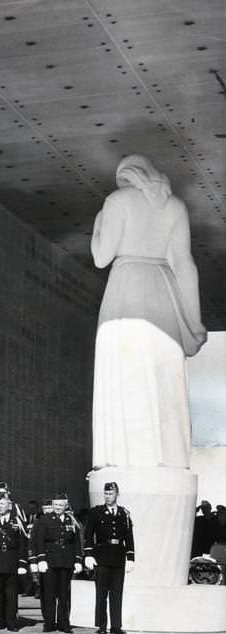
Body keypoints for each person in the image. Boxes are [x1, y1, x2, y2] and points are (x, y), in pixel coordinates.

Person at [91, 154, 207, 470]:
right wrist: (194, 320)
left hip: (126, 287)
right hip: (162, 291)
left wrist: (99, 224)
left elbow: (102, 257)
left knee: (124, 373)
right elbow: (184, 264)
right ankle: (167, 457)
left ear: (126, 176)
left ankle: (121, 458)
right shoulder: (175, 207)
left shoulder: (117, 201)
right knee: (162, 376)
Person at [84, 481, 135, 634]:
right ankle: (101, 625)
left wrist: (131, 557)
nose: (108, 497)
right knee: (101, 593)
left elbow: (129, 536)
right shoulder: (96, 512)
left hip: (118, 556)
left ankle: (116, 626)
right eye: (106, 494)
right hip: (102, 556)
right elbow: (88, 535)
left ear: (117, 495)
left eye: (111, 494)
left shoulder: (124, 514)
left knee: (117, 593)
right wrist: (88, 554)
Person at [33, 493, 84, 633]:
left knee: (64, 594)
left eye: (61, 505)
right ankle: (49, 622)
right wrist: (41, 559)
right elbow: (39, 540)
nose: (58, 508)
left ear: (66, 506)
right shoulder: (45, 519)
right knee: (49, 593)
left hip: (66, 560)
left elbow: (76, 542)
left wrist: (78, 560)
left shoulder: (71, 520)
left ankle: (63, 622)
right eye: (56, 505)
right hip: (50, 560)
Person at [0, 493, 28, 631]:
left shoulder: (17, 521)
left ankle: (11, 622)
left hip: (11, 559)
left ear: (9, 505)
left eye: (2, 504)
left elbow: (22, 543)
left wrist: (22, 563)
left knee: (11, 593)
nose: (0, 507)